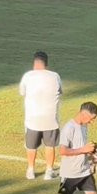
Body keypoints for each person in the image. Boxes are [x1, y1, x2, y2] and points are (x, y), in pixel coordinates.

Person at [21, 51, 63, 180]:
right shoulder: (55, 76)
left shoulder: (28, 76)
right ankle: (49, 171)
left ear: (34, 63)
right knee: (50, 145)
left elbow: (22, 92)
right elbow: (60, 91)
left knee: (31, 146)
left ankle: (30, 170)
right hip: (50, 119)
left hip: (32, 119)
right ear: (46, 64)